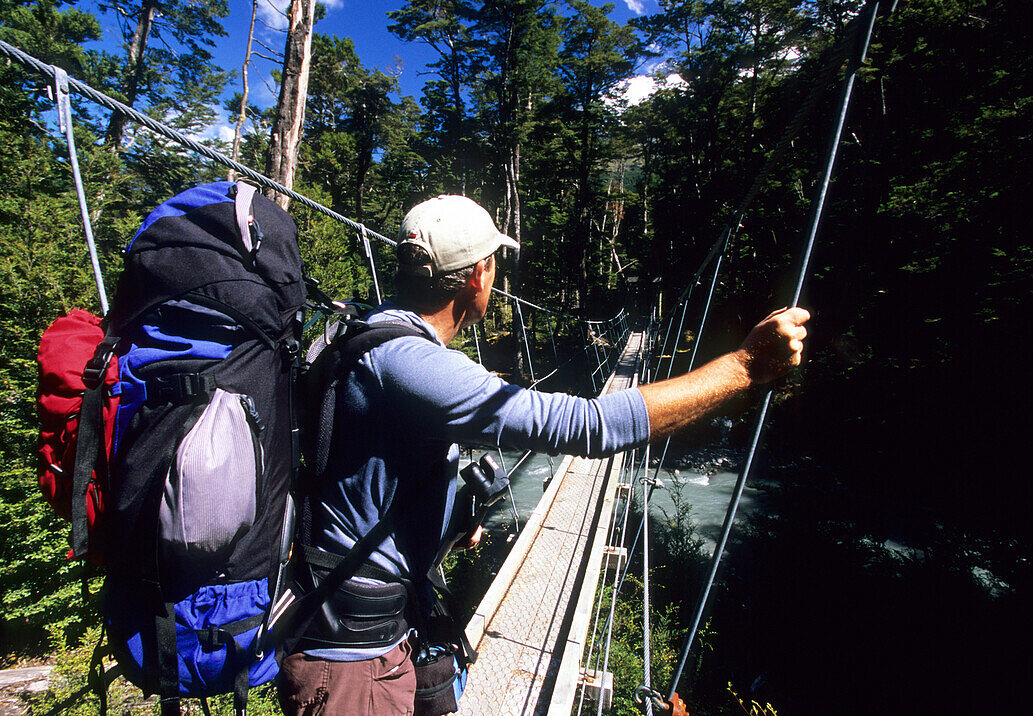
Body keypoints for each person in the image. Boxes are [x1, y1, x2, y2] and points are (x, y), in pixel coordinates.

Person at [277, 195, 809, 716]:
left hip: (358, 627)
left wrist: (442, 521)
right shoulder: (413, 363)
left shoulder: (365, 331)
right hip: (353, 659)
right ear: (476, 277)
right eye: (493, 264)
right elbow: (591, 426)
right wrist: (745, 367)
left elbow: (362, 472)